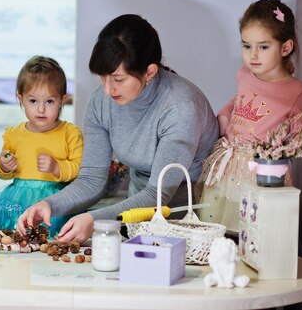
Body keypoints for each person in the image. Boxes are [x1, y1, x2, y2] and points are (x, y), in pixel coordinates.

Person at [17, 14, 219, 243]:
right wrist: (49, 205)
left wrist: (95, 221)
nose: (107, 90)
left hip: (192, 216)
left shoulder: (181, 108)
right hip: (136, 210)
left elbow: (157, 195)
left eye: (118, 79)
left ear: (149, 72)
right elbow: (92, 179)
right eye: (102, 77)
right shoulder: (101, 103)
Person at [197, 0, 302, 233]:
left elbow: (298, 142)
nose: (253, 55)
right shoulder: (245, 74)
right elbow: (238, 100)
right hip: (226, 168)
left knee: (251, 235)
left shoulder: (296, 92)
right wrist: (224, 115)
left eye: (263, 47)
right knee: (216, 233)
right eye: (246, 46)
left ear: (285, 47)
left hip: (259, 175)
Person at [0, 56, 83, 235]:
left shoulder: (70, 133)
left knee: (50, 245)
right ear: (20, 99)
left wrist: (56, 167)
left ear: (62, 100)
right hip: (17, 202)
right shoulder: (14, 134)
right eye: (33, 101)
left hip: (55, 202)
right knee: (14, 242)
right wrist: (4, 166)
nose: (41, 109)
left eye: (49, 101)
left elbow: (79, 170)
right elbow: (1, 170)